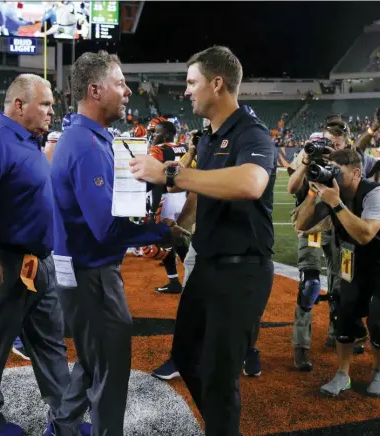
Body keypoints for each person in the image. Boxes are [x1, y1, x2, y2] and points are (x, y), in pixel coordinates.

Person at [130, 46, 276, 436]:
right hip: (208, 265)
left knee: (219, 376)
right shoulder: (209, 137)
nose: (187, 91)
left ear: (217, 83)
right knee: (187, 356)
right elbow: (202, 194)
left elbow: (250, 182)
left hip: (242, 270)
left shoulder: (251, 131)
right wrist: (177, 226)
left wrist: (172, 174)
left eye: (193, 82)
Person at [49, 51, 182, 436]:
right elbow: (105, 230)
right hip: (93, 274)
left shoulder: (80, 137)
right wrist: (162, 233)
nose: (128, 90)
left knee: (92, 360)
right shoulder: (87, 145)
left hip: (77, 268)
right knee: (110, 365)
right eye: (120, 82)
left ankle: (62, 425)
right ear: (95, 90)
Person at [0, 74, 87, 436]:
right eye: (44, 103)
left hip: (35, 263)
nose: (51, 109)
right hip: (5, 261)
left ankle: (65, 421)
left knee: (49, 343)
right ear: (18, 105)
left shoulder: (27, 140)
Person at [295, 149, 380, 397]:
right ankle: (342, 374)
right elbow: (301, 225)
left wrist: (335, 203)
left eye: (338, 170)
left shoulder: (376, 193)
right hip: (351, 260)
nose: (332, 175)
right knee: (343, 314)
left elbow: (365, 235)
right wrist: (314, 193)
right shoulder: (331, 195)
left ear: (357, 172)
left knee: (379, 319)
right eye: (330, 169)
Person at [148, 120, 189, 293]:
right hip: (184, 197)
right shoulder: (185, 147)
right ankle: (193, 275)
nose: (153, 136)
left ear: (165, 134)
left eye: (156, 132)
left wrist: (152, 209)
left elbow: (157, 182)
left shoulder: (158, 150)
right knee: (178, 238)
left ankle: (173, 281)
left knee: (165, 241)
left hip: (167, 198)